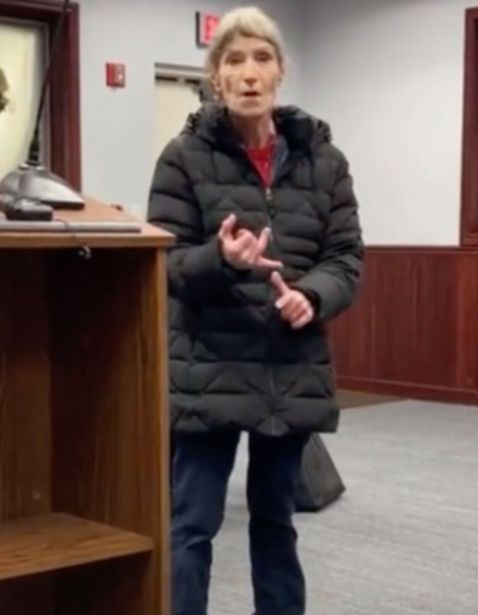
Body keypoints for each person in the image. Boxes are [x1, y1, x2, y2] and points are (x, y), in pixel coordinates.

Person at [147, 6, 364, 615]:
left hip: (288, 368)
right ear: (216, 77)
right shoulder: (183, 156)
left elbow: (346, 256)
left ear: (280, 72)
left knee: (276, 524)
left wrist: (313, 295)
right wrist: (223, 259)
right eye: (234, 61)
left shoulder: (325, 160)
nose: (249, 74)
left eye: (261, 59)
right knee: (192, 527)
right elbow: (165, 264)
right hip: (207, 367)